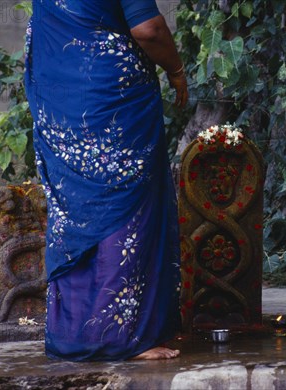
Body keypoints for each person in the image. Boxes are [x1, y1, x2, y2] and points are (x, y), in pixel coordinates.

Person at [24, 0, 188, 361]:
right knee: (124, 206)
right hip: (111, 105)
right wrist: (176, 70)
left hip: (59, 102)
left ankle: (73, 333)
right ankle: (121, 337)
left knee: (76, 209)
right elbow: (149, 30)